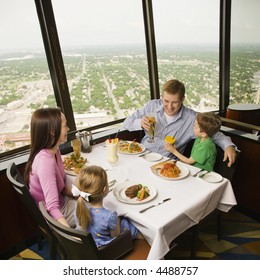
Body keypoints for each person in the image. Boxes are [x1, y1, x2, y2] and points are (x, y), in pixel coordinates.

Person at [122, 79, 237, 167]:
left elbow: (214, 133)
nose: (169, 107)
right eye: (166, 101)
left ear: (182, 99)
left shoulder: (192, 118)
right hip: (141, 156)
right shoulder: (151, 106)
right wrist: (140, 123)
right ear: (161, 97)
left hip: (166, 164)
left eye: (174, 102)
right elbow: (127, 123)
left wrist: (229, 146)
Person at [24, 107, 76, 227]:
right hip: (55, 216)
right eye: (65, 126)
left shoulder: (54, 150)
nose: (68, 129)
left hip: (61, 202)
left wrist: (78, 194)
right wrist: (71, 237)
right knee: (100, 210)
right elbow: (52, 207)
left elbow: (60, 186)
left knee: (92, 200)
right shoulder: (45, 162)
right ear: (52, 131)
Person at [73, 165, 143, 247]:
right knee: (127, 223)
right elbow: (115, 237)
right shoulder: (110, 215)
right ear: (105, 189)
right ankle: (149, 241)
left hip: (88, 245)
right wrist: (118, 221)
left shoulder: (78, 205)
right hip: (106, 250)